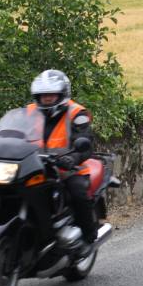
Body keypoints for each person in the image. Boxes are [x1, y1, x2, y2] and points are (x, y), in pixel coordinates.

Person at [28, 69, 98, 255]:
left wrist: (72, 158)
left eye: (51, 95)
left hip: (68, 169)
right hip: (35, 167)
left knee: (77, 193)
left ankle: (89, 237)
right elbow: (12, 132)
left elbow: (86, 141)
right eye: (43, 95)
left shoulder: (77, 113)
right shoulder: (28, 112)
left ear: (62, 94)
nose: (47, 99)